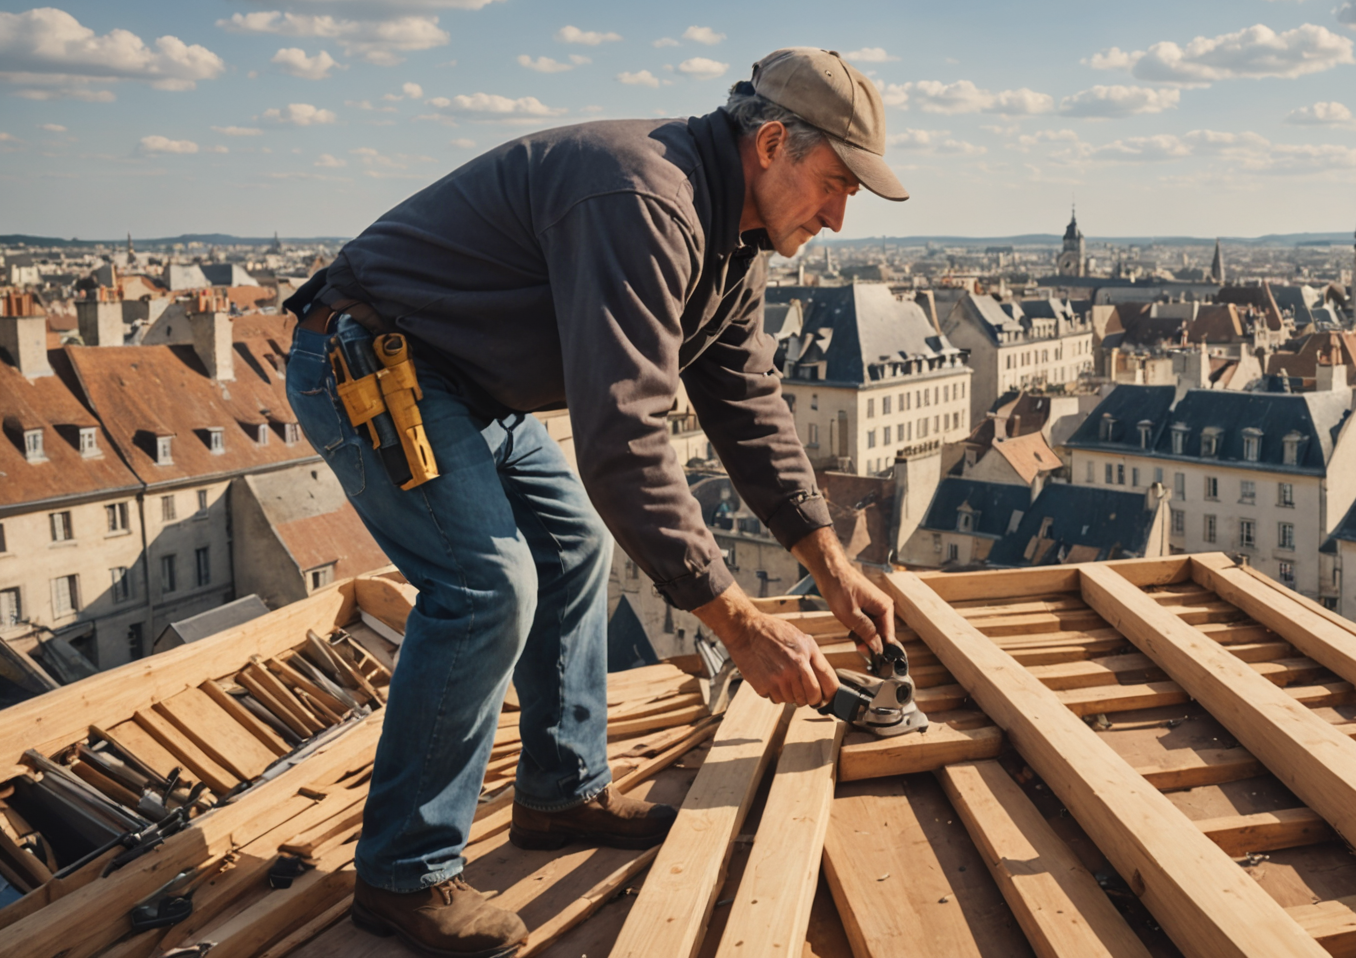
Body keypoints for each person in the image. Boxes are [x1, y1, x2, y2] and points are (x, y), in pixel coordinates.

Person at [283, 48, 904, 957]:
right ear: (772, 142)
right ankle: (403, 876)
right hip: (374, 366)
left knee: (571, 548)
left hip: (462, 380)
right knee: (486, 587)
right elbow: (624, 444)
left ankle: (559, 794)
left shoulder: (733, 239)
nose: (839, 217)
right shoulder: (646, 202)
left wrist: (831, 565)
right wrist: (739, 625)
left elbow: (745, 401)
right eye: (834, 183)